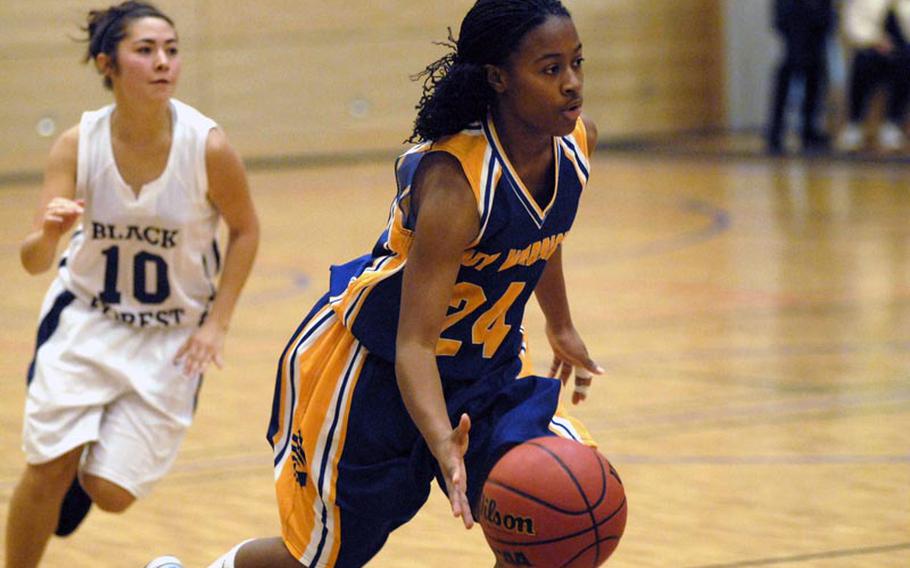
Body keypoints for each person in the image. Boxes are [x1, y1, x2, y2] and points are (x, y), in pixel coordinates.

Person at [146, 1, 602, 567]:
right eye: (550, 68)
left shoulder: (577, 144)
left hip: (480, 377)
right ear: (499, 78)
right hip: (374, 379)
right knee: (321, 561)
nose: (573, 84)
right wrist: (440, 444)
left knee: (547, 521)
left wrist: (561, 325)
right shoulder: (455, 186)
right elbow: (414, 344)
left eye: (577, 62)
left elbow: (543, 231)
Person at [5, 2, 260, 567]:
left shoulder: (207, 147)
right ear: (108, 64)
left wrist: (217, 324)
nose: (163, 61)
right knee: (45, 469)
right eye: (145, 50)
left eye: (171, 49)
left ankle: (76, 472)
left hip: (171, 336)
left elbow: (246, 231)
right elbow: (31, 260)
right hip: (87, 320)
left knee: (112, 494)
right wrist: (47, 236)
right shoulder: (78, 143)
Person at [836, 0, 910, 152]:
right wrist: (875, 40)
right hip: (871, 47)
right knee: (863, 63)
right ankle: (854, 124)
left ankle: (892, 124)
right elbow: (854, 24)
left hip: (902, 50)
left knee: (905, 66)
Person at [766, 0, 835, 154]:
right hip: (793, 33)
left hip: (816, 35)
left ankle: (808, 129)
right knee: (786, 81)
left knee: (814, 81)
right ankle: (776, 131)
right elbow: (780, 16)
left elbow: (827, 12)